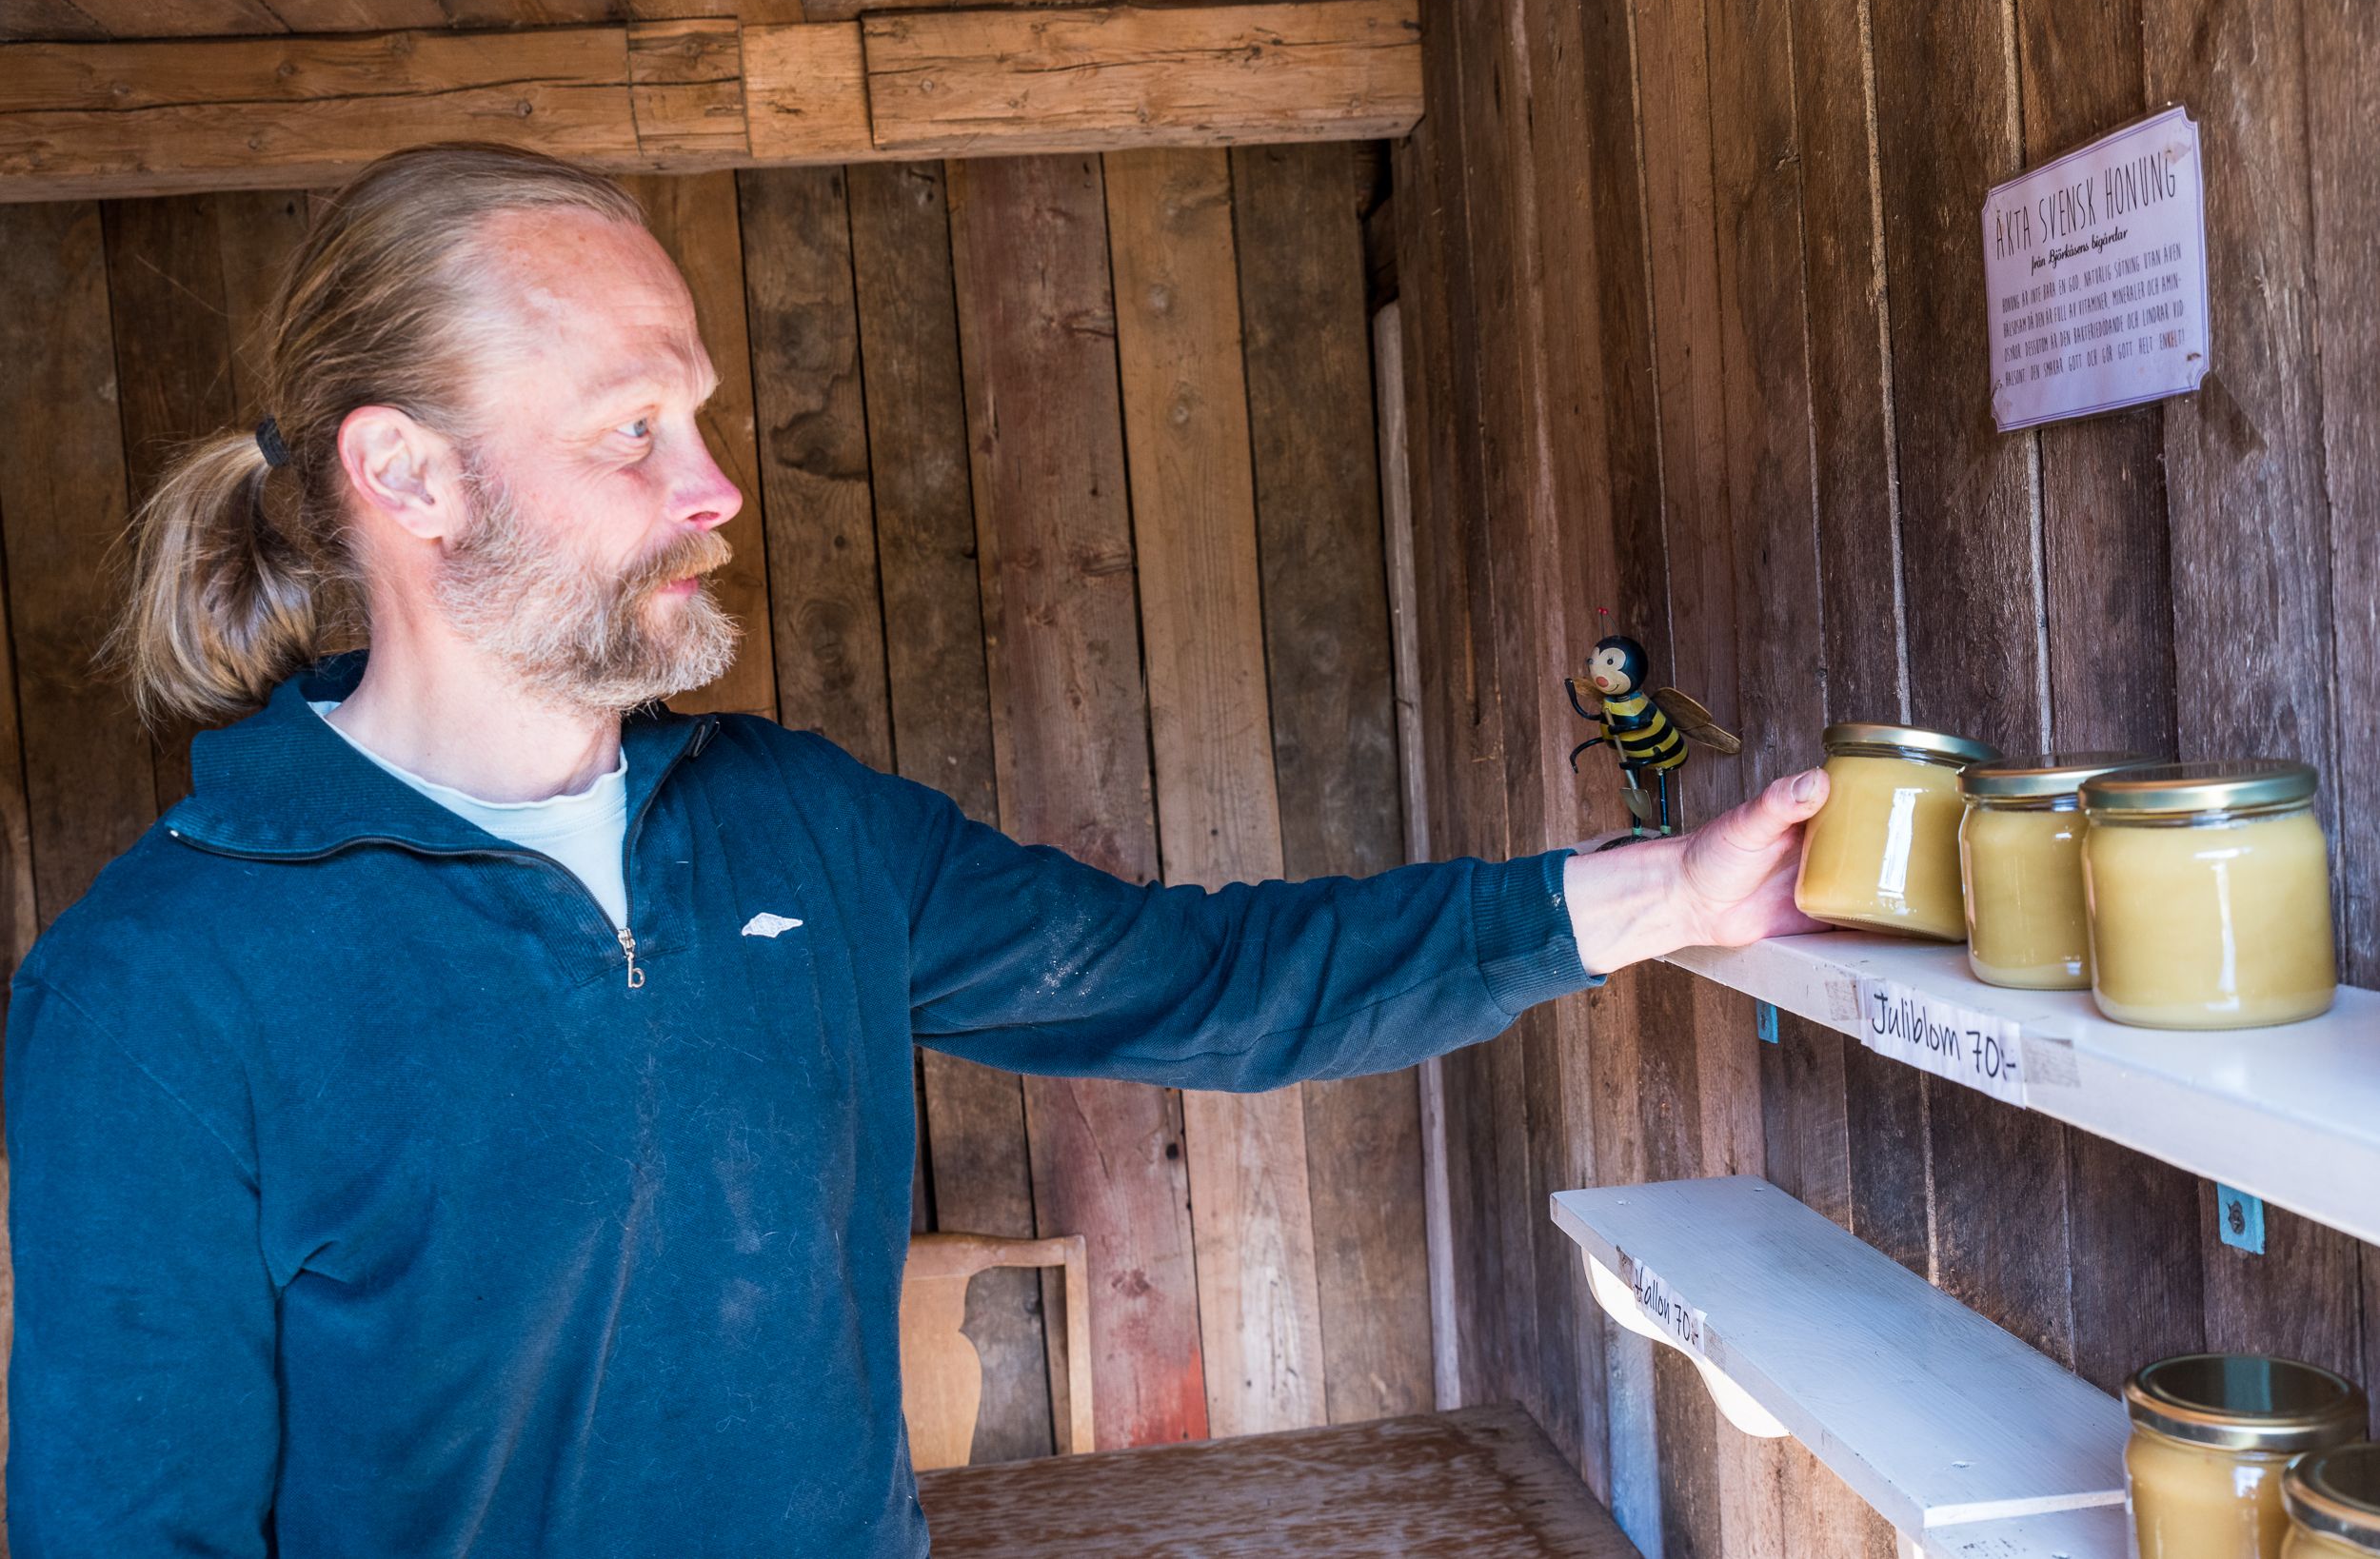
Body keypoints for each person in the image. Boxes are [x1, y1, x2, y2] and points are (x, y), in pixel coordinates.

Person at [4, 141, 1828, 1558]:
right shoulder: (156, 991)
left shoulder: (800, 828)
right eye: (632, 431)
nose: (715, 487)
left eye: (698, 415)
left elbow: (1205, 982)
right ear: (408, 477)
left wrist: (1666, 893)